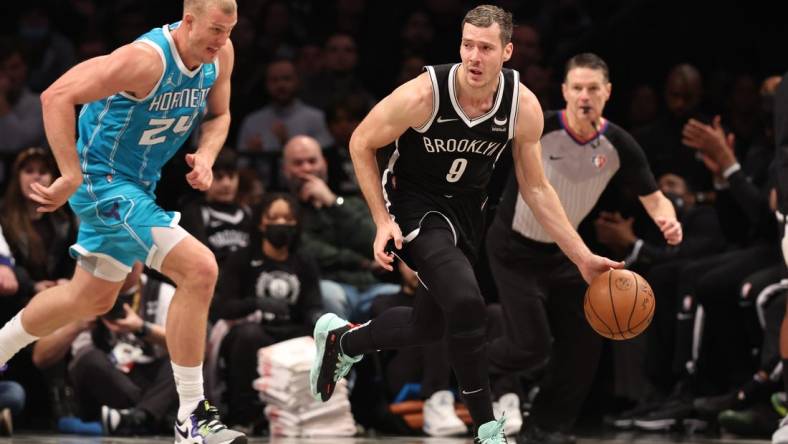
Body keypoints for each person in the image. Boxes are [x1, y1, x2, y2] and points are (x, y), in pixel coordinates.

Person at [309, 6, 621, 444]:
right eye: (467, 45)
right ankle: (487, 428)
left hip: (466, 214)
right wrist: (381, 220)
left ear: (507, 51)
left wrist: (583, 257)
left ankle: (343, 342)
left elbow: (536, 189)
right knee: (468, 304)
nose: (474, 56)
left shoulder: (521, 105)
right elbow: (361, 140)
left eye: (486, 48)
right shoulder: (424, 93)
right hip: (413, 204)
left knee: (430, 326)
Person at [0, 1, 246, 442]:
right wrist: (70, 173)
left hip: (138, 185)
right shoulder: (144, 60)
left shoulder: (219, 54)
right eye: (213, 30)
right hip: (104, 184)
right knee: (200, 268)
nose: (220, 41)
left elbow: (221, 115)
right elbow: (56, 95)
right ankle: (192, 416)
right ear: (188, 21)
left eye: (228, 31)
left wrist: (207, 156)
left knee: (87, 299)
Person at [485, 53, 682, 443]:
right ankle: (471, 362)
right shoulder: (539, 126)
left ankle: (547, 427)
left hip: (564, 255)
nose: (584, 96)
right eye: (577, 88)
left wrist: (668, 219)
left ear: (607, 93)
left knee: (587, 339)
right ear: (564, 91)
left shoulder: (619, 143)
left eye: (593, 88)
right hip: (512, 249)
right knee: (532, 347)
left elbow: (655, 196)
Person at [210, 192, 324, 432]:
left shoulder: (304, 261)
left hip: (291, 332)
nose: (281, 224)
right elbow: (223, 308)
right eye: (274, 217)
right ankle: (244, 416)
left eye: (288, 219)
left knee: (324, 338)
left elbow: (313, 305)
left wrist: (318, 320)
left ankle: (308, 417)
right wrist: (256, 303)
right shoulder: (242, 258)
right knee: (249, 336)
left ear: (296, 224)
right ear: (261, 223)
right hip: (252, 330)